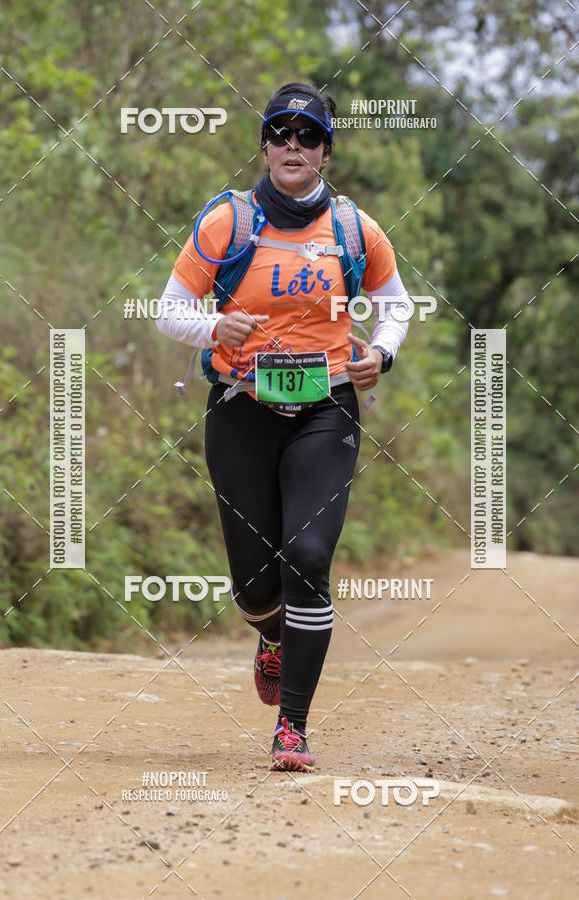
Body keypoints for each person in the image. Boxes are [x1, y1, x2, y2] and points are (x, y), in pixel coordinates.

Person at [157, 82, 410, 772]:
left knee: (308, 557)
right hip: (242, 408)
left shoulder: (356, 230)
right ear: (265, 146)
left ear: (326, 151)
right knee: (254, 588)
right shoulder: (228, 223)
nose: (292, 145)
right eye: (280, 133)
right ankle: (270, 635)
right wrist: (214, 323)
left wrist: (380, 354)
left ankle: (292, 727)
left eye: (307, 135)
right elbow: (166, 308)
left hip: (326, 409)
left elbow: (396, 304)